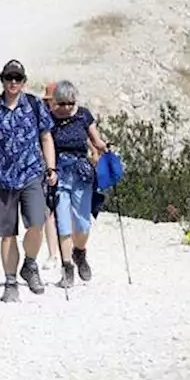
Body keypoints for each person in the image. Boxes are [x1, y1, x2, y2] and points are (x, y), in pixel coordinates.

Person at [0, 60, 57, 303]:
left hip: (31, 173)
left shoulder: (34, 105)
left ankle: (29, 264)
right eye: (9, 77)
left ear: (24, 81)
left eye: (17, 78)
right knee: (8, 233)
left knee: (37, 223)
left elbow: (46, 137)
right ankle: (10, 282)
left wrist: (51, 167)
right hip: (2, 178)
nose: (13, 82)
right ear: (2, 80)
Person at [48, 80, 111, 288]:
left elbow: (96, 140)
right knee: (63, 222)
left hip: (81, 174)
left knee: (83, 223)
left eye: (69, 103)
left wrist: (104, 148)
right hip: (60, 174)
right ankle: (67, 268)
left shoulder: (83, 115)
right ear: (55, 102)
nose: (65, 108)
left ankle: (79, 253)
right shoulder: (49, 119)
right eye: (61, 103)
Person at [40, 80, 61, 269]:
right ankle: (52, 254)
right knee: (49, 212)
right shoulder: (43, 117)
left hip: (66, 166)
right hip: (48, 167)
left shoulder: (68, 117)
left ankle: (66, 252)